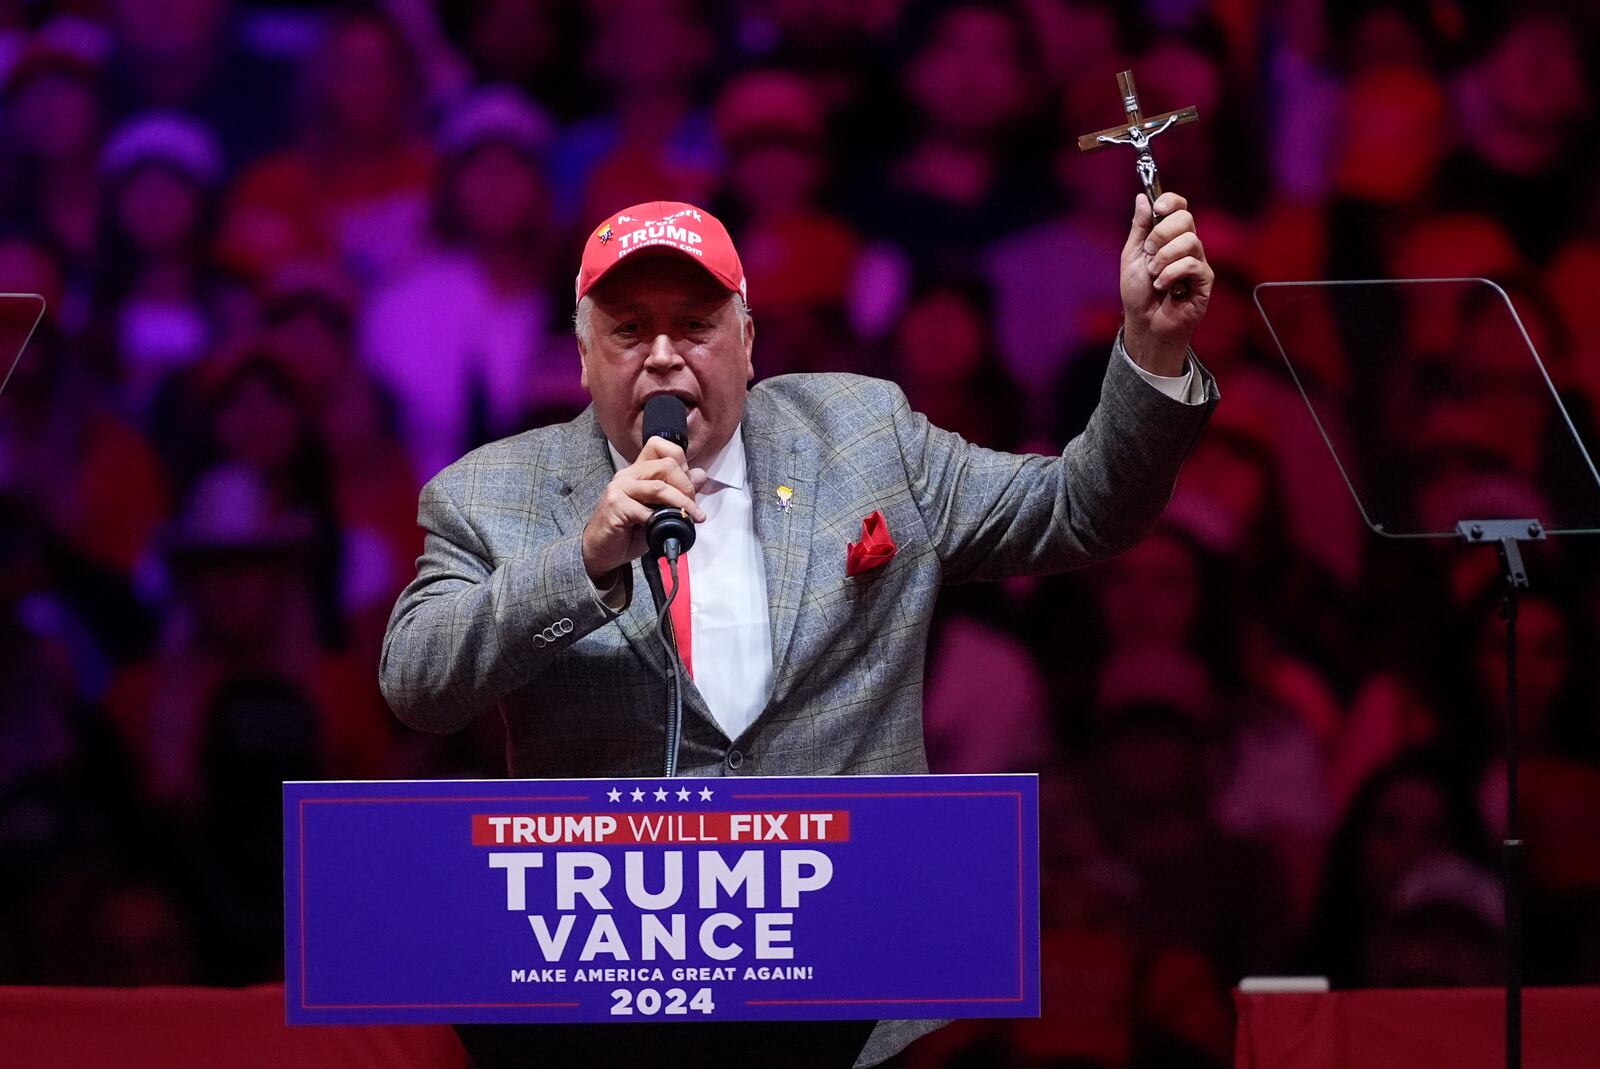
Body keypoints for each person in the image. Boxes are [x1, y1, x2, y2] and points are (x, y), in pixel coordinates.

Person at [380, 196, 1216, 1067]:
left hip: (854, 996)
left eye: (695, 324)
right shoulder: (494, 493)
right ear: (585, 356)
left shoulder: (863, 437)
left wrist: (1152, 350)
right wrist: (583, 559)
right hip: (609, 999)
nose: (664, 354)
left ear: (747, 340)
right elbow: (416, 681)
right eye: (629, 329)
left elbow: (1081, 509)